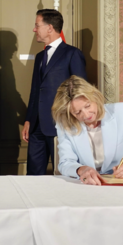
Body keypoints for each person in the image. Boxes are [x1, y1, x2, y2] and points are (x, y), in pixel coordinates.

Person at [51, 75, 123, 186]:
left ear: (95, 97)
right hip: (86, 184)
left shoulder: (121, 112)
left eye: (87, 106)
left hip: (119, 182)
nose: (86, 115)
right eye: (77, 112)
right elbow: (65, 163)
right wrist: (81, 169)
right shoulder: (64, 124)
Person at [22, 9, 86, 175]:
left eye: (37, 25)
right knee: (33, 176)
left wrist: (73, 121)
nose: (34, 29)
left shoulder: (72, 54)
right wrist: (28, 120)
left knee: (63, 174)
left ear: (49, 28)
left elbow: (80, 91)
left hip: (61, 125)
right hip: (36, 127)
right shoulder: (39, 57)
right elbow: (35, 91)